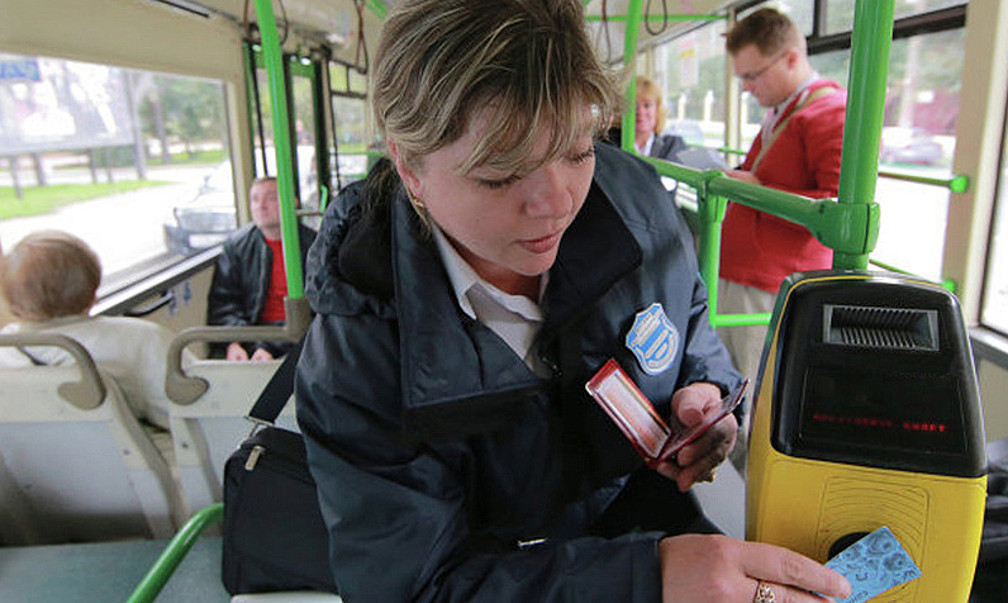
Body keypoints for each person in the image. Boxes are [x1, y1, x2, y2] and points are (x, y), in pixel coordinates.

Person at [295, 1, 852, 602]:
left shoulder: (633, 199)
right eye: (501, 173)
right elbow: (415, 588)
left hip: (650, 521)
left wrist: (706, 394)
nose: (556, 202)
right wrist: (645, 581)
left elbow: (687, 318)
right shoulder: (358, 359)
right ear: (409, 167)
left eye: (577, 148)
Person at [719, 7, 847, 386]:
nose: (746, 87)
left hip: (772, 283)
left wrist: (756, 191)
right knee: (731, 380)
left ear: (791, 58)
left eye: (752, 75)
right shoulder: (784, 112)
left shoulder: (830, 113)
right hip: (744, 275)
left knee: (756, 389)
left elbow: (837, 213)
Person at [0, 230, 191, 430]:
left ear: (13, 305)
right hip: (139, 458)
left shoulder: (6, 349)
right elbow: (192, 409)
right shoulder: (143, 339)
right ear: (93, 292)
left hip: (36, 460)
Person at [206, 177, 316, 361]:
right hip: (252, 336)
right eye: (255, 200)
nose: (261, 206)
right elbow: (223, 304)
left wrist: (270, 347)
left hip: (301, 338)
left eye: (271, 198)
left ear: (293, 202)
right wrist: (234, 343)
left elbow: (318, 310)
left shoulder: (315, 246)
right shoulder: (236, 248)